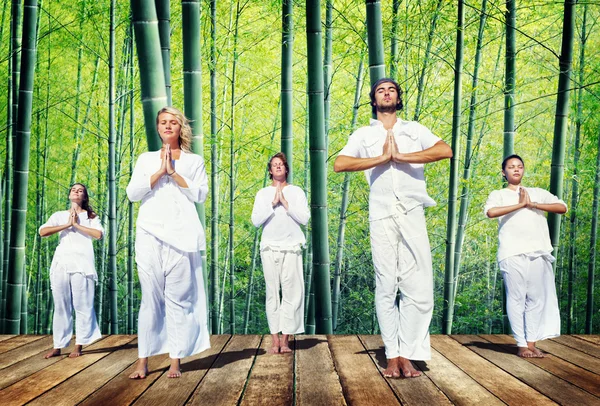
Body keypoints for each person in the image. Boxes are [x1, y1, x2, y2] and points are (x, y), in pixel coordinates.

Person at [333, 78, 452, 378]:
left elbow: (445, 150)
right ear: (374, 100)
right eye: (380, 91)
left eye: (391, 90)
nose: (386, 93)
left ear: (398, 98)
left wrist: (401, 157)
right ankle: (393, 354)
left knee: (419, 287)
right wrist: (381, 159)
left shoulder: (414, 129)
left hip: (412, 210)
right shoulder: (363, 134)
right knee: (387, 283)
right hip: (381, 213)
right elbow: (340, 163)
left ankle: (410, 353)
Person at [126, 106, 210, 379]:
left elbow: (200, 195)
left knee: (178, 299)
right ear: (158, 127)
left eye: (173, 122)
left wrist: (174, 173)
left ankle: (175, 360)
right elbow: (132, 193)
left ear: (180, 127)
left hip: (182, 236)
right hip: (149, 232)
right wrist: (160, 171)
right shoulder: (146, 158)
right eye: (163, 122)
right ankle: (143, 360)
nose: (167, 126)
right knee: (150, 298)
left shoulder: (193, 160)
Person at [484, 154, 566, 358]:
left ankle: (531, 344)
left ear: (523, 170)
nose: (516, 169)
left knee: (536, 299)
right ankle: (521, 344)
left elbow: (562, 207)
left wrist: (533, 204)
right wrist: (520, 205)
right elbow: (491, 212)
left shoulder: (537, 192)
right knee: (516, 297)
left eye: (519, 166)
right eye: (511, 167)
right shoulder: (498, 194)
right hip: (511, 252)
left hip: (538, 250)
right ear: (504, 172)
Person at [251, 152, 310, 354]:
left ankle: (286, 340)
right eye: (274, 164)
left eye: (281, 164)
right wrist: (272, 204)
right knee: (272, 293)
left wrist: (285, 203)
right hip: (269, 247)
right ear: (270, 170)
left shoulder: (297, 192)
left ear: (286, 169)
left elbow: (304, 218)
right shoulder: (262, 193)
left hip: (292, 247)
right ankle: (274, 339)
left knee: (292, 294)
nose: (277, 167)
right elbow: (255, 221)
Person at [40, 183, 103, 359]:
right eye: (74, 189)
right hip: (61, 264)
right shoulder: (59, 215)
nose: (76, 191)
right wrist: (67, 224)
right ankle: (58, 345)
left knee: (82, 305)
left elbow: (98, 234)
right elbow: (43, 231)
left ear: (84, 197)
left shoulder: (91, 216)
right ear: (69, 195)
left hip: (82, 266)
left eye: (80, 190)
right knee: (60, 306)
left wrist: (76, 225)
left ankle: (79, 345)